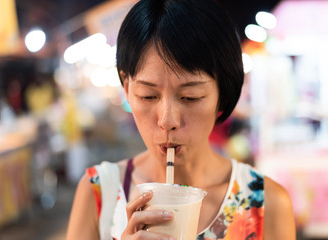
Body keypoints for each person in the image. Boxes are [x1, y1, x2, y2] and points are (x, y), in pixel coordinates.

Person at [66, 0, 296, 239]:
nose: (167, 120)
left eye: (190, 97)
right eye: (148, 96)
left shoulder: (264, 204)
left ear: (223, 95)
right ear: (127, 89)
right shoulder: (99, 192)